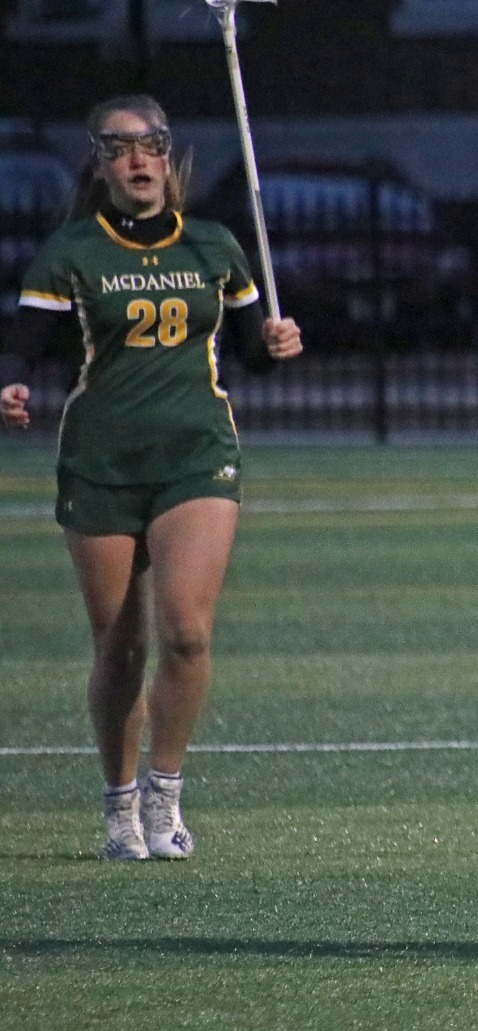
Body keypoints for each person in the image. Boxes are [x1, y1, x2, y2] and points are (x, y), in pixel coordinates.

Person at [0, 94, 302, 859]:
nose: (138, 159)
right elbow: (24, 345)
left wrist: (275, 339)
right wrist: (12, 384)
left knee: (188, 632)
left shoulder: (214, 246)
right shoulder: (71, 252)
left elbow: (254, 354)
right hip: (100, 461)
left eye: (151, 145)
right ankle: (118, 799)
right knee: (120, 646)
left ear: (171, 156)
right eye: (119, 147)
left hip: (196, 452)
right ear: (99, 165)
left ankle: (165, 795)